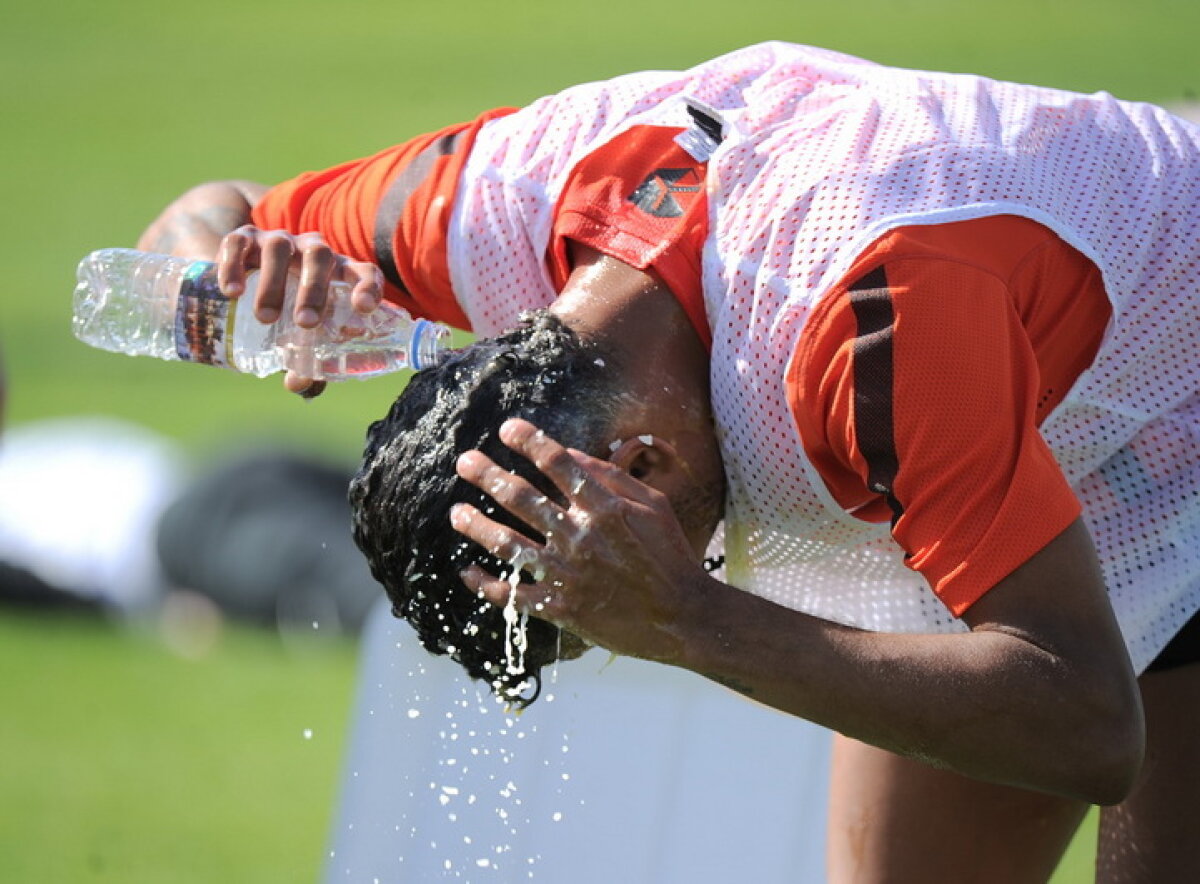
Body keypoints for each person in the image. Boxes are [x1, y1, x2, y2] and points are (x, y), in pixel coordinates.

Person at [138, 42, 1200, 881]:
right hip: (1017, 379)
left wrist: (688, 617)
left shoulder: (874, 340)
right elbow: (193, 221)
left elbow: (1094, 723)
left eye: (597, 602)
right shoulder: (495, 213)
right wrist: (226, 283)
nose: (618, 624)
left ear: (637, 465)